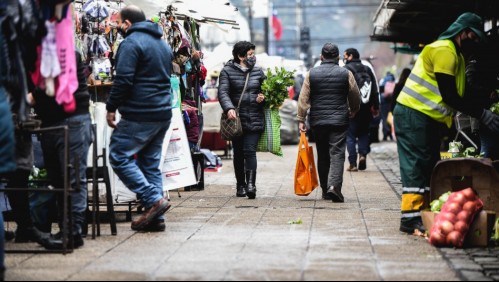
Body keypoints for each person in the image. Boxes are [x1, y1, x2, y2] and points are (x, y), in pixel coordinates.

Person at [394, 12, 499, 234]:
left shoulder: (457, 57)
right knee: (415, 165)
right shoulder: (444, 51)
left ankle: (422, 214)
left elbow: (464, 92)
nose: (477, 42)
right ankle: (410, 219)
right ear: (463, 33)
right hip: (413, 114)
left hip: (426, 117)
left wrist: (488, 97)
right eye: (474, 36)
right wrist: (482, 114)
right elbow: (451, 96)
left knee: (428, 164)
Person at [106, 5, 173, 232]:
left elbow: (123, 80)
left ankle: (153, 199)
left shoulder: (131, 43)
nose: (117, 28)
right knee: (150, 164)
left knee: (118, 154)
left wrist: (111, 106)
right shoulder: (162, 43)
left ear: (127, 24)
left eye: (118, 24)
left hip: (140, 112)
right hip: (162, 112)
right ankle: (156, 219)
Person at [30, 51, 92, 249]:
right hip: (51, 124)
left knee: (72, 179)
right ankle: (69, 229)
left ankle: (72, 232)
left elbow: (57, 79)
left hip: (71, 122)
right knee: (58, 180)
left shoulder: (67, 52)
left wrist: (32, 95)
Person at [297, 43, 360, 202]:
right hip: (339, 120)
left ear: (321, 57)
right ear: (338, 57)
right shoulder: (346, 73)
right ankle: (334, 187)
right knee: (337, 154)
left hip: (318, 121)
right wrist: (353, 109)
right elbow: (355, 95)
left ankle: (326, 190)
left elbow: (303, 98)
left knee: (323, 154)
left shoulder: (312, 74)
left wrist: (301, 118)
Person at [218, 41, 266, 199]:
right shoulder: (227, 71)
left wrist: (263, 97)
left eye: (253, 54)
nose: (253, 57)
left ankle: (251, 185)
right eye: (250, 54)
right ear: (240, 56)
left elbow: (266, 91)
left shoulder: (258, 72)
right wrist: (229, 108)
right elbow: (223, 92)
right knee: (238, 153)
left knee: (249, 150)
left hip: (254, 117)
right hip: (236, 119)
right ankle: (241, 185)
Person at [343, 48, 380, 172]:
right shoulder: (367, 69)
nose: (344, 58)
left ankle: (352, 164)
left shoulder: (346, 70)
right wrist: (376, 106)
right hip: (366, 108)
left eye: (345, 56)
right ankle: (362, 155)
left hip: (352, 109)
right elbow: (374, 89)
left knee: (351, 135)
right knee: (364, 133)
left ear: (351, 56)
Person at [379, 72, 396, 141]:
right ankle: (391, 135)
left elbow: (380, 90)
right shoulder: (394, 80)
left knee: (384, 118)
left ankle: (385, 135)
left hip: (383, 101)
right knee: (391, 118)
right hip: (391, 101)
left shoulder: (384, 80)